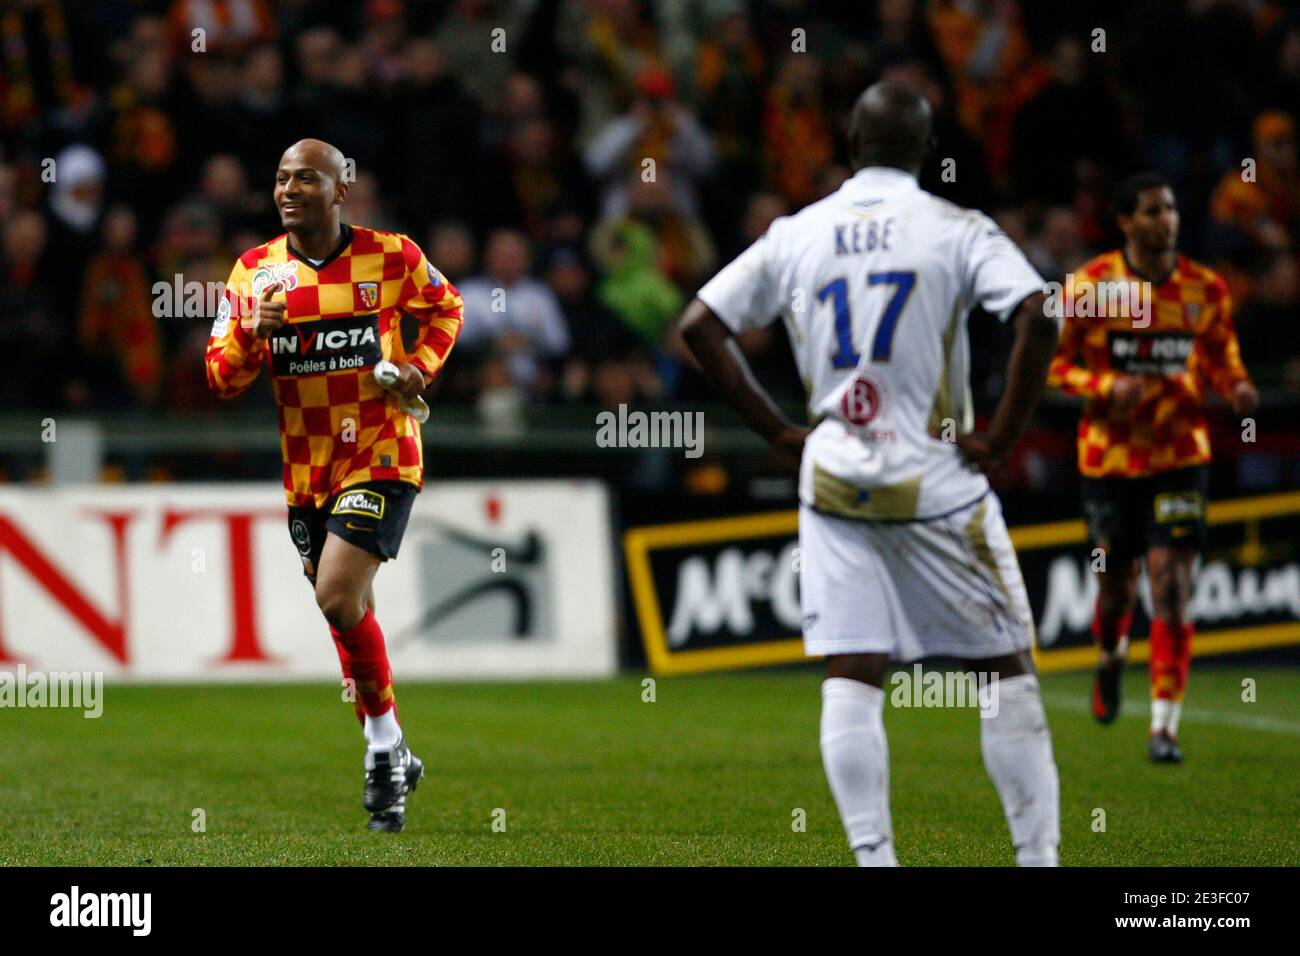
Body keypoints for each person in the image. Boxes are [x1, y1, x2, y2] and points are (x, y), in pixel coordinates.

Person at [679, 80, 1062, 867]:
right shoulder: (957, 228)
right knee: (1005, 671)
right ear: (927, 151)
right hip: (937, 483)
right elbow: (1039, 315)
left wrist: (780, 431)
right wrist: (1002, 437)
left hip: (833, 483)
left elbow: (700, 326)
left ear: (851, 145)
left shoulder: (797, 232)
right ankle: (1037, 859)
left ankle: (874, 859)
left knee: (852, 673)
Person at [204, 139, 464, 831]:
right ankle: (395, 746)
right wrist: (251, 337)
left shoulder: (393, 256)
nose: (290, 189)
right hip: (306, 469)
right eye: (282, 178)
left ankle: (381, 750)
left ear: (340, 190)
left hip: (382, 450)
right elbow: (220, 379)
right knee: (348, 617)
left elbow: (447, 309)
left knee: (336, 592)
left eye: (307, 179)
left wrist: (419, 370)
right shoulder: (253, 273)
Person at [1048, 172, 1257, 763]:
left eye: (1169, 208)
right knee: (1116, 590)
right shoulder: (1092, 287)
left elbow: (1221, 357)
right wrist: (1103, 383)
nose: (1164, 219)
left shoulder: (1204, 287)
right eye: (1149, 210)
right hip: (1110, 460)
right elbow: (1052, 367)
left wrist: (1237, 388)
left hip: (1179, 455)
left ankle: (1164, 726)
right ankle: (1111, 658)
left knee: (1171, 583)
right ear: (1124, 222)